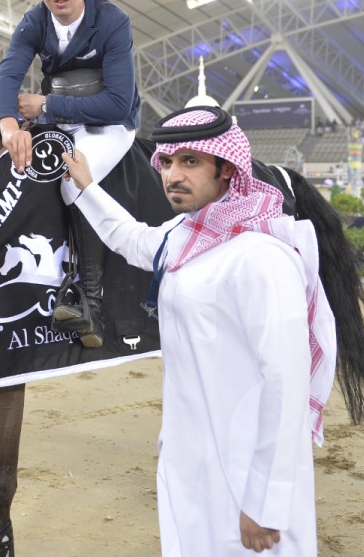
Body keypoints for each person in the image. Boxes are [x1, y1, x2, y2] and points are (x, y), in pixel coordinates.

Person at [62, 106, 337, 555]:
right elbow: (128, 238)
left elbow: (286, 384)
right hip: (190, 457)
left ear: (227, 169)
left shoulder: (261, 258)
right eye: (167, 162)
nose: (173, 174)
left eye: (190, 162)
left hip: (245, 471)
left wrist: (267, 501)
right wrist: (87, 188)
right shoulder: (183, 236)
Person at [0, 0, 140, 348]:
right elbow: (8, 73)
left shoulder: (112, 21)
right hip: (59, 120)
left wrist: (47, 108)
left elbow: (115, 103)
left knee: (73, 182)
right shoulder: (34, 21)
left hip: (110, 126)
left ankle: (87, 299)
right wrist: (7, 125)